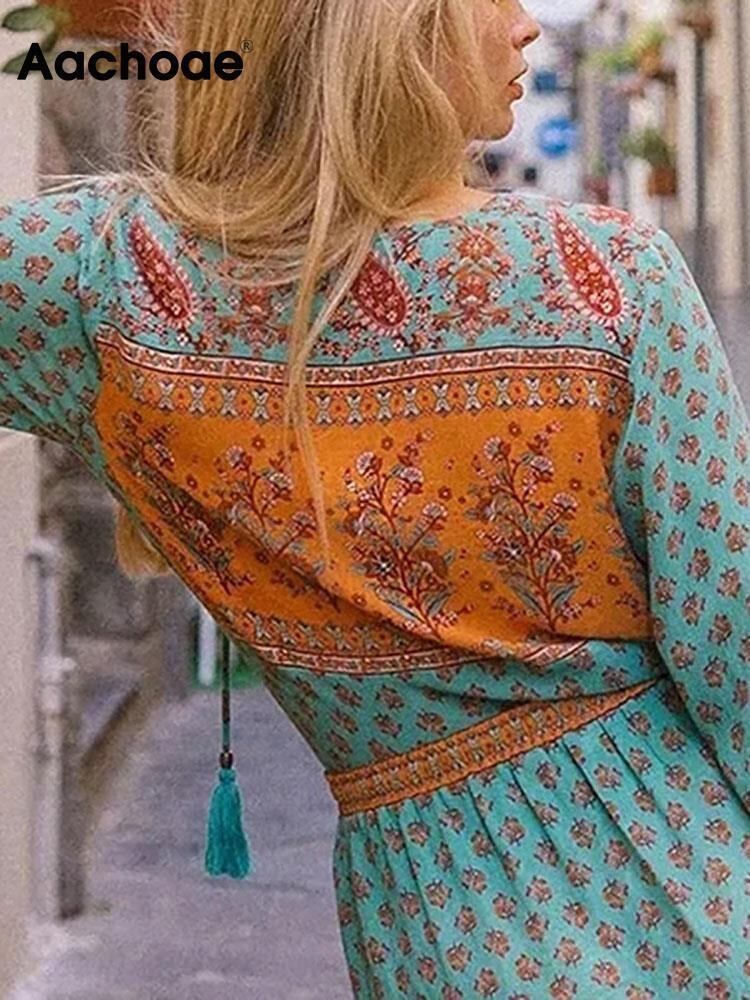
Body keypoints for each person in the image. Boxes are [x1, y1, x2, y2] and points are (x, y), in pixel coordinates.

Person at [1, 0, 749, 996]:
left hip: (432, 931)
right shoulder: (609, 281)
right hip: (683, 889)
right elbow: (733, 647)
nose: (527, 24)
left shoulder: (113, 282)